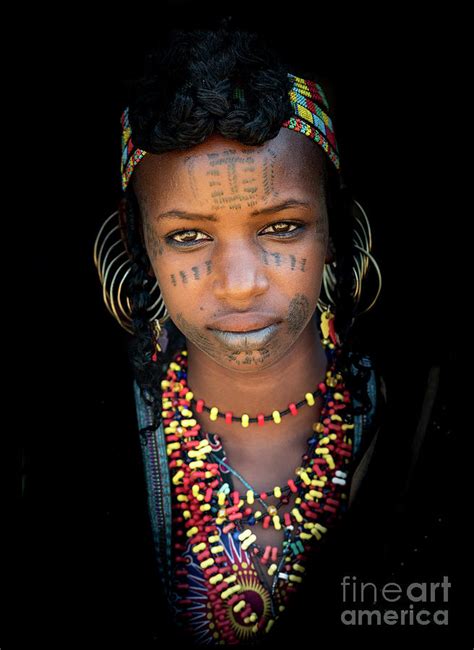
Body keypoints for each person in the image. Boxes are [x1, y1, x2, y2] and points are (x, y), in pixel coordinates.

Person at [93, 19, 387, 646]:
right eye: (188, 237)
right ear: (138, 246)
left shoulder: (413, 419)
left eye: (281, 227)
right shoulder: (78, 445)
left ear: (334, 228)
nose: (239, 283)